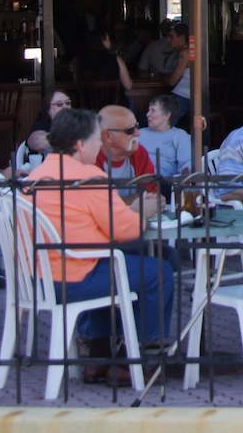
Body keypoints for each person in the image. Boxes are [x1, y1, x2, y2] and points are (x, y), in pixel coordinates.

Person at [22, 108, 168, 386]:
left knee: (115, 267)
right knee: (158, 271)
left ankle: (99, 357)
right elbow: (125, 230)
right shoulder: (89, 177)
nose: (100, 145)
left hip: (37, 278)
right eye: (96, 140)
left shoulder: (36, 176)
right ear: (80, 145)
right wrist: (142, 212)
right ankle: (130, 359)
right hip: (74, 276)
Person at [94, 104, 158, 199]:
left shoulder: (139, 152)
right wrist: (137, 199)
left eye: (137, 126)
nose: (138, 133)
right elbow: (99, 203)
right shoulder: (91, 157)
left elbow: (152, 193)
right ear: (107, 136)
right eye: (130, 130)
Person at [138, 95, 193, 179]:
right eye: (148, 110)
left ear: (166, 116)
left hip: (165, 181)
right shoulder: (139, 133)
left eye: (153, 111)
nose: (147, 114)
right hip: (138, 180)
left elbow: (186, 163)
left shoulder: (179, 136)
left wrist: (185, 171)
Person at [74, 29, 133, 99]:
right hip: (114, 104)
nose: (110, 41)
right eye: (108, 38)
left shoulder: (79, 60)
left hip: (87, 104)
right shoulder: (116, 59)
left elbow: (76, 83)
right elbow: (128, 86)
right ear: (103, 41)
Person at [26, 90, 73, 158]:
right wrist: (73, 136)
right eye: (59, 104)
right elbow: (37, 142)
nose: (65, 107)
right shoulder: (42, 122)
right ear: (48, 109)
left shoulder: (76, 120)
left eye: (68, 103)